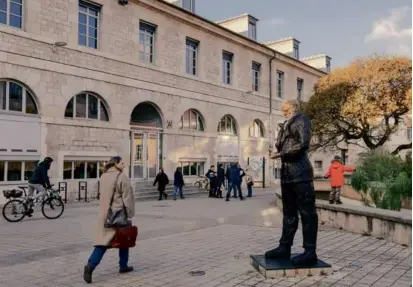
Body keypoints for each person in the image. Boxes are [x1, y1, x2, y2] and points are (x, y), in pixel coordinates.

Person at [266, 100, 318, 266]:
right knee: (289, 212)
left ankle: (310, 251)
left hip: (300, 172)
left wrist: (280, 154)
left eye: (286, 110)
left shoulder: (302, 120)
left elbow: (303, 144)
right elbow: (285, 144)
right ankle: (284, 247)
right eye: (283, 111)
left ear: (294, 108)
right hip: (287, 173)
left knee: (307, 213)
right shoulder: (286, 124)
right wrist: (278, 152)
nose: (284, 112)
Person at [83, 156, 135, 284]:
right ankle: (121, 266)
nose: (124, 165)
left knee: (103, 241)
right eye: (122, 163)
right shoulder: (122, 177)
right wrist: (130, 213)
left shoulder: (104, 176)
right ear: (116, 163)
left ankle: (92, 265)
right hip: (118, 214)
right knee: (124, 239)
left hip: (104, 213)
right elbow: (127, 198)